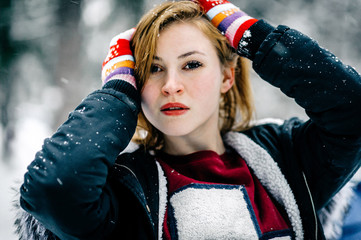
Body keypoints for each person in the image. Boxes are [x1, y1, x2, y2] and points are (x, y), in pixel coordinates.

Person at [14, 0, 361, 239]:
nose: (171, 86)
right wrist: (117, 92)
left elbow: (352, 109)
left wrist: (256, 38)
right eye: (153, 69)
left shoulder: (288, 159)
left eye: (191, 64)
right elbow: (52, 189)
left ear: (227, 76)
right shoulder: (124, 191)